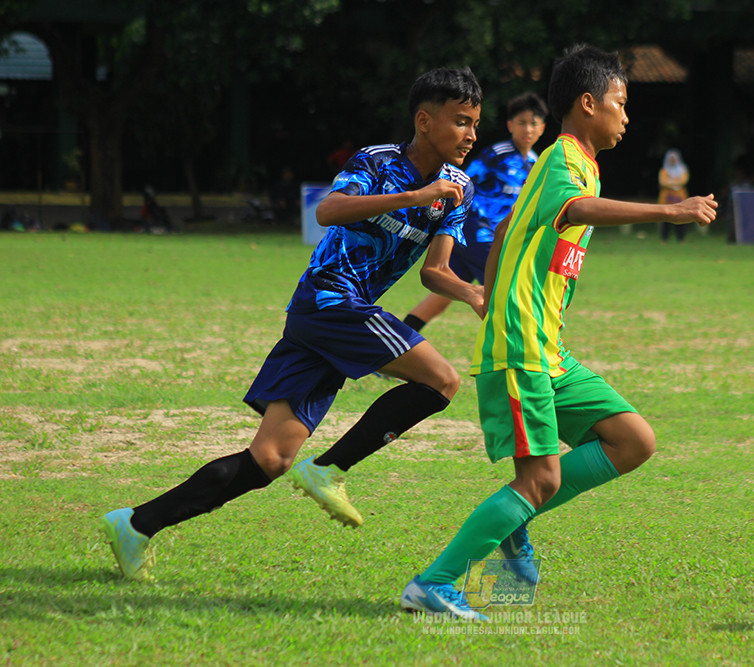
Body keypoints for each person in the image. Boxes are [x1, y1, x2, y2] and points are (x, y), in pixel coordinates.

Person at [99, 67, 485, 580]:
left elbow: (435, 272)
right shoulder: (378, 161)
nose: (471, 135)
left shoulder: (460, 188)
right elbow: (328, 211)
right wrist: (414, 197)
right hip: (330, 300)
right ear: (424, 120)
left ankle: (137, 524)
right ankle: (330, 468)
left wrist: (473, 293)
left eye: (475, 123)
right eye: (461, 122)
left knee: (270, 459)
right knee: (442, 379)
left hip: (329, 318)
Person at [400, 45, 717, 620]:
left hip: (546, 348)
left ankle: (514, 520)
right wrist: (670, 212)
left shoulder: (575, 161)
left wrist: (487, 298)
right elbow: (577, 209)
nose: (627, 116)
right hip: (522, 347)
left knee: (633, 440)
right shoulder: (565, 159)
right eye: (621, 103)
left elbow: (503, 234)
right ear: (588, 103)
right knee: (541, 479)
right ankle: (434, 582)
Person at [403, 92, 548, 334]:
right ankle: (515, 347)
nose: (528, 130)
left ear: (542, 128)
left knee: (444, 294)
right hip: (475, 230)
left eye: (533, 124)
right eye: (522, 123)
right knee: (507, 284)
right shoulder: (497, 154)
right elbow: (462, 183)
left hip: (494, 235)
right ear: (511, 125)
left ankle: (399, 342)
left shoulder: (534, 162)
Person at [657, 149, 691, 243]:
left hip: (680, 198)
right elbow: (663, 182)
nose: (672, 160)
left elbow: (683, 181)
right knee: (665, 218)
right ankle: (664, 238)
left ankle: (681, 238)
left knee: (681, 218)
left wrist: (670, 182)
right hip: (666, 199)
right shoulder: (664, 170)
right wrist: (675, 185)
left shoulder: (682, 170)